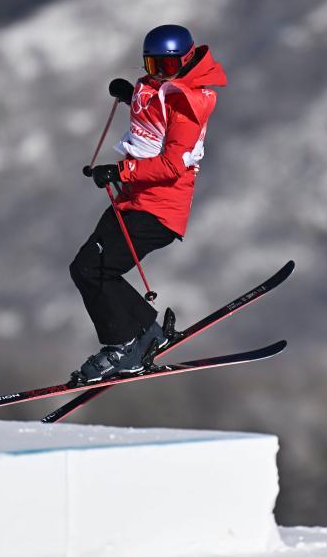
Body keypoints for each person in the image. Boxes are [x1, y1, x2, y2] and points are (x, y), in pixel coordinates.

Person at [69, 24, 227, 382]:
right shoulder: (164, 90)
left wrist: (120, 170)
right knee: (87, 268)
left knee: (92, 269)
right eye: (151, 67)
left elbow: (172, 162)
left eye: (167, 68)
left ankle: (122, 346)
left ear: (185, 62)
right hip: (135, 201)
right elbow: (156, 117)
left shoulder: (188, 106)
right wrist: (131, 97)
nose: (159, 75)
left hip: (158, 211)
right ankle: (145, 333)